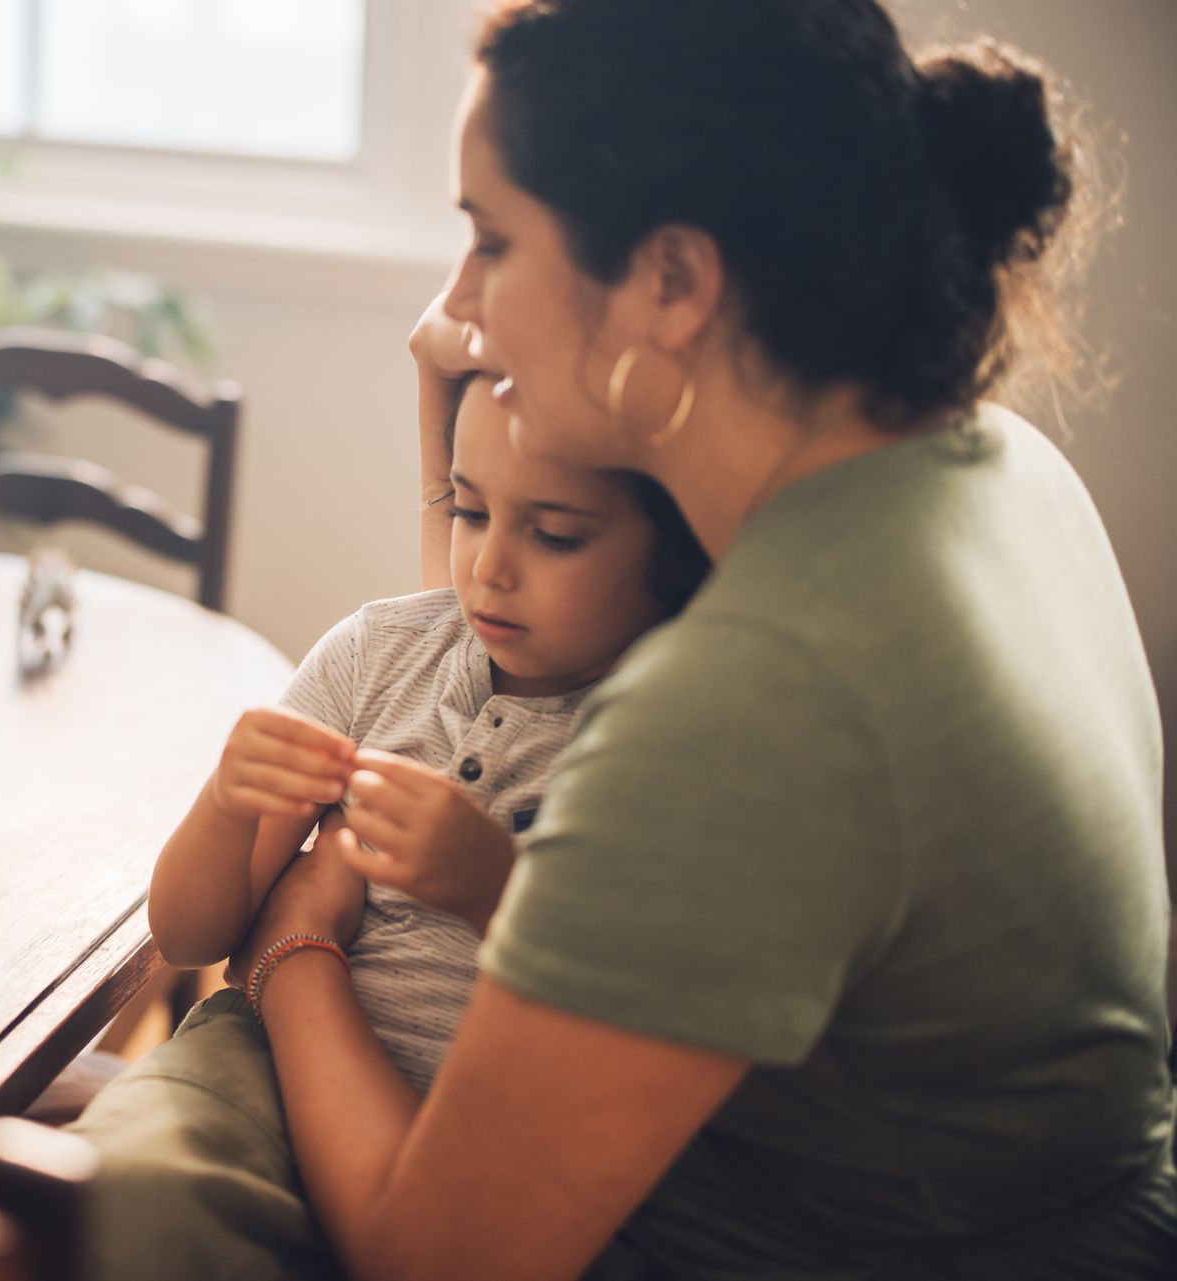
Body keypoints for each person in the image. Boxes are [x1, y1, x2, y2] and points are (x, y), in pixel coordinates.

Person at [206, 1, 1174, 1278]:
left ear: (671, 282)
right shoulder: (994, 463)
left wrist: (292, 950)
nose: (459, 309)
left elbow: (431, 1258)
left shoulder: (752, 702)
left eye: (492, 240)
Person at [71, 371, 707, 1273]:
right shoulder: (379, 653)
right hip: (260, 1068)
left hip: (494, 1133)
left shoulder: (672, 732)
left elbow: (643, 992)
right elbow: (186, 933)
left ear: (672, 551)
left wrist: (496, 884)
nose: (489, 565)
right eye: (469, 510)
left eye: (556, 534)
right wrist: (225, 803)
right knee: (129, 1184)